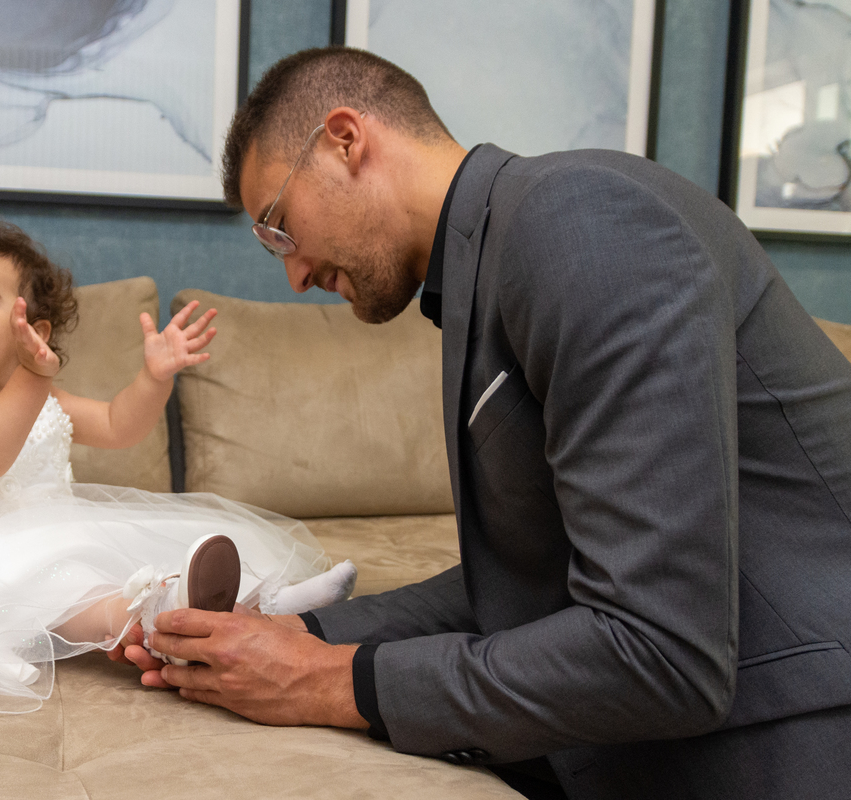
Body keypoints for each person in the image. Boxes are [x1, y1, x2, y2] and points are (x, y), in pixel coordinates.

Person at [116, 48, 851, 799]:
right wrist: (302, 634)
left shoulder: (583, 224)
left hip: (796, 737)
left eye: (279, 227)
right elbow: (527, 580)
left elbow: (663, 653)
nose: (294, 275)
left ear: (345, 140)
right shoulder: (495, 255)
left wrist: (330, 680)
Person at [0, 211, 357, 713]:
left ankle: (263, 606)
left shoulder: (47, 399)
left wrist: (153, 378)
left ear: (33, 331)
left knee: (131, 552)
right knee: (77, 587)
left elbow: (120, 427)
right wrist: (33, 378)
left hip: (48, 537)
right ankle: (156, 619)